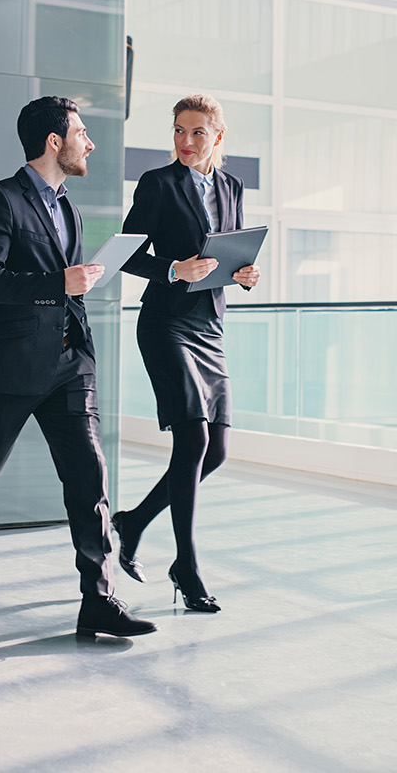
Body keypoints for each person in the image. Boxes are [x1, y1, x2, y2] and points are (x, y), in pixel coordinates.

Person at [0, 96, 155, 639]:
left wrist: (79, 321)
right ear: (54, 142)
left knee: (90, 479)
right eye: (82, 133)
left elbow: (70, 284)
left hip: (69, 363)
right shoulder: (0, 199)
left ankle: (99, 599)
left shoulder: (69, 207)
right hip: (9, 366)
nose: (91, 142)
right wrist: (56, 284)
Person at [114, 93, 260, 613]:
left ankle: (132, 521)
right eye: (179, 130)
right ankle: (187, 565)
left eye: (197, 132)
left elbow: (231, 252)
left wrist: (244, 274)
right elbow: (126, 253)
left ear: (217, 137)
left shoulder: (232, 186)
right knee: (192, 438)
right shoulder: (158, 184)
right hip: (166, 323)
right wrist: (174, 269)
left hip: (210, 327)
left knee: (215, 452)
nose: (186, 141)